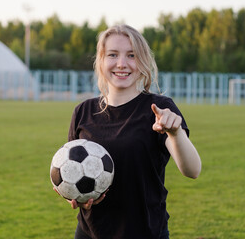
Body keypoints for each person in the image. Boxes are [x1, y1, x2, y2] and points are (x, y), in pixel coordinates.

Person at [63, 24, 201, 239]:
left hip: (144, 231)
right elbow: (71, 170)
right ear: (101, 61)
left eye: (131, 55)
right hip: (89, 232)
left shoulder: (159, 108)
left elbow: (192, 170)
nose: (121, 64)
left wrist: (175, 133)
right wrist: (74, 195)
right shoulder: (83, 111)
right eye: (112, 55)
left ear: (143, 61)